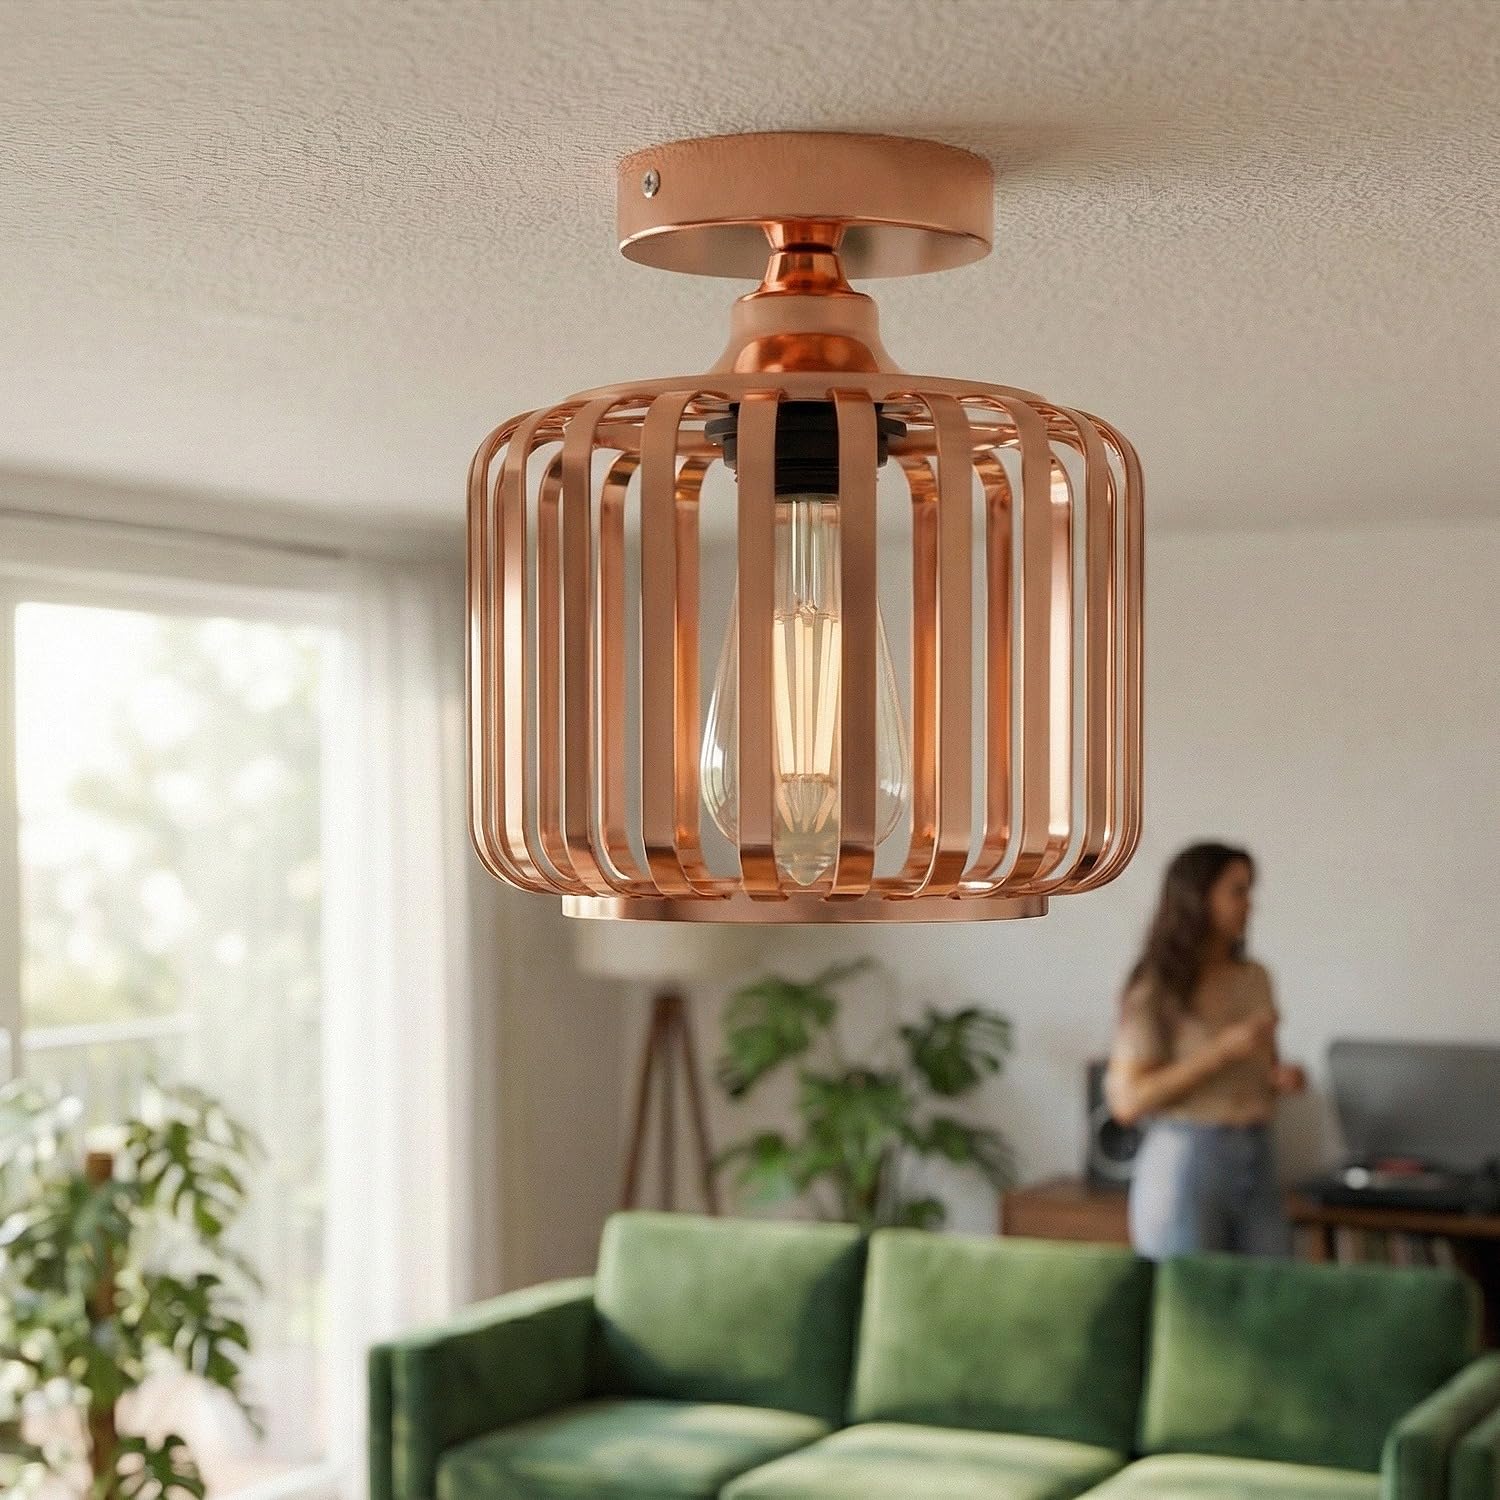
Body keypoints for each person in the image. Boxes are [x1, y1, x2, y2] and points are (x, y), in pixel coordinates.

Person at [1106, 841, 1306, 1258]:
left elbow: (1258, 1070)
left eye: (1250, 891)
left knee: (1270, 1299)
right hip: (1188, 1157)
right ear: (1197, 898)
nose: (1250, 904)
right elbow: (1127, 1102)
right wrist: (1221, 1052)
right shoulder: (1156, 987)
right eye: (1237, 891)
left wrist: (1277, 1079)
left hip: (1258, 1151)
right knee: (1191, 1303)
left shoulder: (1255, 978)